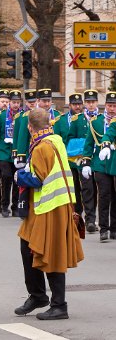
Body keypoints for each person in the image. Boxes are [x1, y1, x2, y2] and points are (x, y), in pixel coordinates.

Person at [15, 108, 84, 320]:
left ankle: (59, 305)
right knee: (27, 246)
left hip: (50, 207)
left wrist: (19, 175)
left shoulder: (41, 147)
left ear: (29, 127)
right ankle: (37, 295)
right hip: (48, 205)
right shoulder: (55, 140)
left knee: (51, 253)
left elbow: (37, 179)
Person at [67, 90, 98, 233]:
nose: (91, 105)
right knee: (86, 189)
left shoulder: (102, 118)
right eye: (89, 102)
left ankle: (92, 216)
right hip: (81, 160)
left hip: (98, 160)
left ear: (97, 103)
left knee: (98, 189)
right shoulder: (77, 119)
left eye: (93, 102)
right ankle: (90, 219)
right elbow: (70, 139)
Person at [88, 92, 116, 241]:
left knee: (115, 196)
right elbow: (89, 142)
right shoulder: (96, 121)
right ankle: (104, 229)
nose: (112, 109)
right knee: (104, 195)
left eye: (115, 106)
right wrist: (86, 161)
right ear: (105, 106)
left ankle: (114, 229)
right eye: (110, 105)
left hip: (114, 163)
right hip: (100, 164)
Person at [0, 90, 20, 217]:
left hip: (18, 153)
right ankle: (4, 205)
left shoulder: (23, 116)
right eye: (13, 102)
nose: (15, 105)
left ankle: (15, 206)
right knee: (6, 177)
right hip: (4, 152)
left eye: (18, 102)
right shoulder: (1, 116)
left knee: (17, 180)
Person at [54, 93, 84, 219]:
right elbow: (56, 140)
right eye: (74, 104)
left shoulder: (85, 119)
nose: (77, 107)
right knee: (72, 186)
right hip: (66, 159)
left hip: (81, 158)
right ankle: (73, 211)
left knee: (84, 186)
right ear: (69, 105)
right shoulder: (60, 120)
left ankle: (83, 212)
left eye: (79, 104)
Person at [15, 88, 60, 169]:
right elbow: (23, 137)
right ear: (38, 101)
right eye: (44, 101)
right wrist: (21, 156)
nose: (47, 104)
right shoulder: (29, 115)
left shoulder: (57, 115)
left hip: (53, 152)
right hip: (35, 152)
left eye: (49, 101)